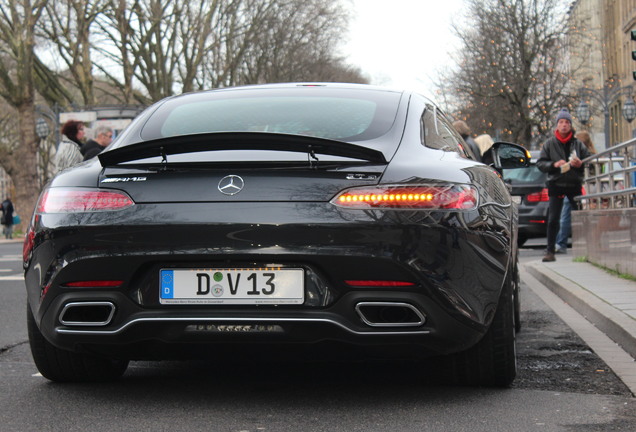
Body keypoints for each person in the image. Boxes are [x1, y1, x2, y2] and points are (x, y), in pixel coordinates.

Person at [536, 108, 591, 262]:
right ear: (557, 125)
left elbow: (589, 160)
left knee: (580, 216)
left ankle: (586, 248)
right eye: (561, 122)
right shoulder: (550, 143)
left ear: (571, 125)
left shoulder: (577, 144)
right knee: (553, 218)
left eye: (567, 122)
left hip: (574, 183)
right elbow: (540, 164)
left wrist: (580, 163)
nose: (564, 125)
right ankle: (550, 251)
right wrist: (554, 164)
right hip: (556, 183)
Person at [555, 130, 597, 253]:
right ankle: (564, 242)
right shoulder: (591, 155)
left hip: (580, 188)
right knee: (572, 216)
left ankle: (561, 243)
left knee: (568, 216)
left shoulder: (586, 156)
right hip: (580, 188)